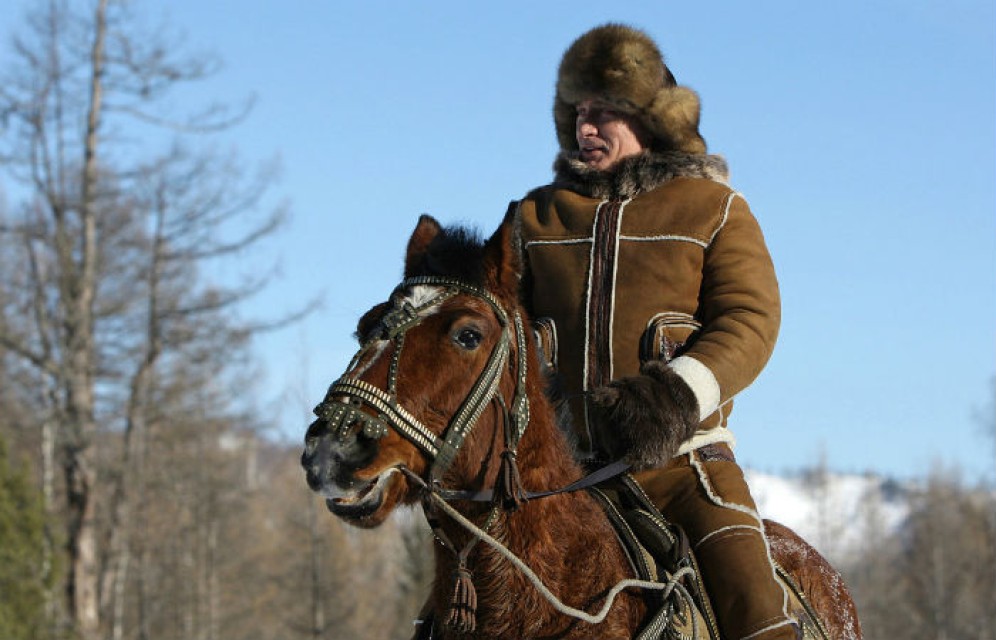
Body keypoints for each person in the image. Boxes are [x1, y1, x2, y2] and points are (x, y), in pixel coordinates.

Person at [506, 23, 799, 640]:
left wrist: (676, 396)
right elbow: (489, 320)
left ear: (652, 119)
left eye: (604, 112)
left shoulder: (713, 206)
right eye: (578, 112)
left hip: (682, 468)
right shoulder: (532, 215)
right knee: (448, 608)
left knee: (754, 606)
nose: (586, 128)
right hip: (553, 477)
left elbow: (751, 318)